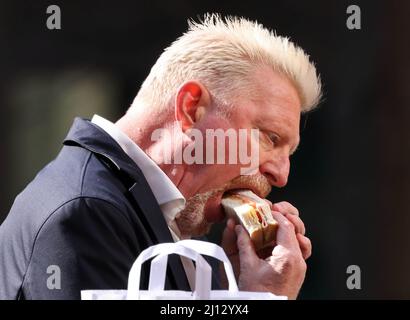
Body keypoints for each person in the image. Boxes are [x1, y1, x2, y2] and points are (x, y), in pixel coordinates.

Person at [0, 14, 321, 299]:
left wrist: (231, 287)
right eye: (270, 137)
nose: (281, 174)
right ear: (191, 108)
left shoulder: (135, 209)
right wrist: (265, 297)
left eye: (289, 153)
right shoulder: (87, 213)